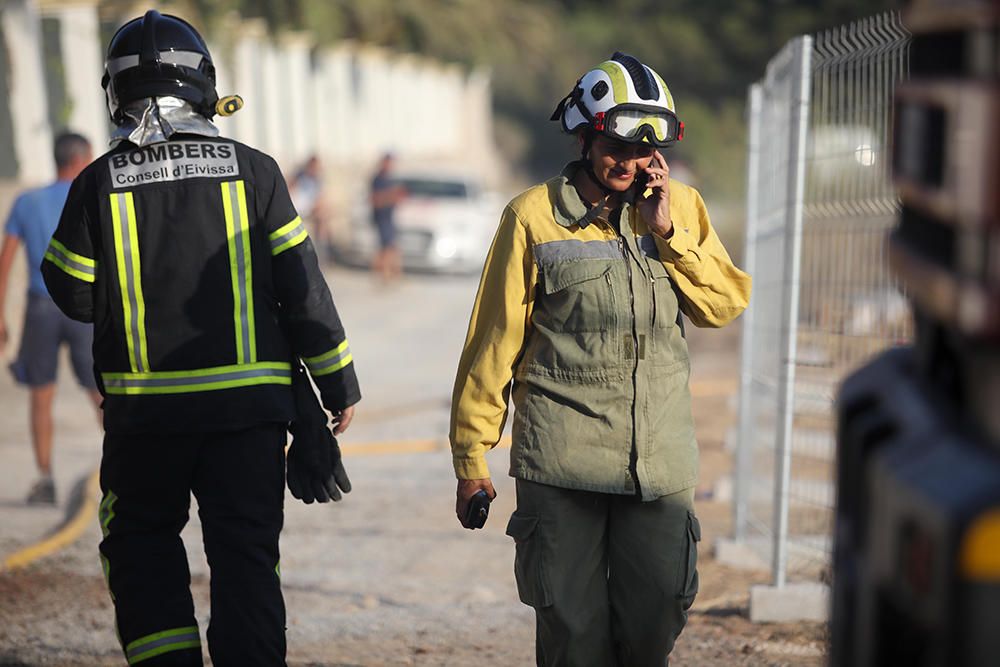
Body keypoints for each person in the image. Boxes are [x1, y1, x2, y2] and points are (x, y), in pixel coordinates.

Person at [41, 11, 360, 666]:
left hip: (145, 418)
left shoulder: (97, 183)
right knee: (245, 555)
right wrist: (338, 385)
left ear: (115, 93)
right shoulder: (257, 171)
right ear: (204, 85)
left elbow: (70, 291)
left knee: (142, 547)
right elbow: (304, 289)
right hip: (248, 420)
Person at [450, 52, 751, 665]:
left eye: (644, 151)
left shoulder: (682, 209)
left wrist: (667, 233)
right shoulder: (532, 217)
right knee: (571, 630)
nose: (630, 162)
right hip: (561, 466)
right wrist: (471, 456)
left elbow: (722, 306)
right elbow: (493, 342)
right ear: (586, 137)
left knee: (659, 612)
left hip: (658, 465)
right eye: (615, 145)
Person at [0, 132, 101, 505]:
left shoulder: (27, 202)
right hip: (84, 310)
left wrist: (0, 316)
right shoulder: (90, 194)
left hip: (40, 309)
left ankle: (45, 479)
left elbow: (6, 258)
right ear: (80, 159)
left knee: (41, 396)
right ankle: (130, 469)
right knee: (101, 392)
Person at [369, 152, 405, 281]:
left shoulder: (388, 178)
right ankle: (384, 275)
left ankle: (394, 274)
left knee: (391, 247)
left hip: (389, 217)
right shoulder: (378, 179)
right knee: (385, 248)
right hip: (381, 218)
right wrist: (392, 196)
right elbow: (375, 200)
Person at [289, 155, 330, 259]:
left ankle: (321, 250)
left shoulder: (317, 181)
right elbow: (289, 190)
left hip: (309, 209)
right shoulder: (299, 177)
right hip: (296, 208)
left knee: (322, 217)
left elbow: (320, 198)